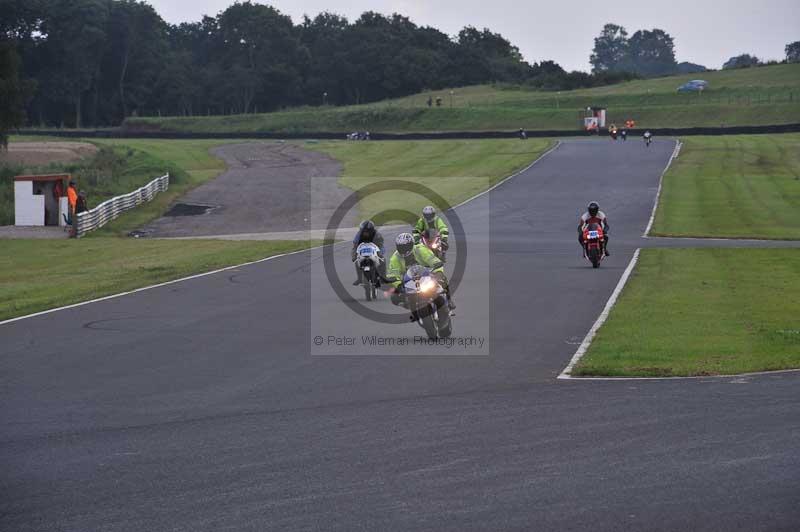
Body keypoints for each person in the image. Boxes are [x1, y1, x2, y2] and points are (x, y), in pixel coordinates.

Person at [387, 232, 455, 310]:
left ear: (411, 245)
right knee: (394, 297)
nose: (404, 249)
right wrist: (398, 285)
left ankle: (449, 300)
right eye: (401, 247)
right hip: (409, 280)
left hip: (427, 274)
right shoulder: (395, 258)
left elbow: (433, 260)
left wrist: (438, 271)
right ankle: (410, 306)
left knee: (442, 279)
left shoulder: (420, 249)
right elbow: (392, 274)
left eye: (406, 246)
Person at [352, 220, 385, 285]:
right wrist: (354, 255)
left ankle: (383, 277)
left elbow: (381, 245)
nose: (365, 233)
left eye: (367, 231)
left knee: (383, 259)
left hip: (374, 250)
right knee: (356, 261)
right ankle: (359, 279)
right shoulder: (358, 235)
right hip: (363, 250)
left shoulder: (377, 235)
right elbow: (355, 246)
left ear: (371, 231)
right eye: (363, 231)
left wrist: (380, 253)